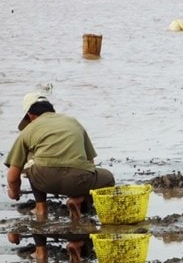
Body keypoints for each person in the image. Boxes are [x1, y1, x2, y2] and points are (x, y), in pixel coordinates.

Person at [4, 93, 115, 221]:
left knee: (32, 159)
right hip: (78, 180)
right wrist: (83, 190)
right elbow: (90, 162)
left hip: (44, 179)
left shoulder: (28, 130)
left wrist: (14, 193)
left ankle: (41, 207)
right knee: (108, 179)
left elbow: (13, 177)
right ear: (51, 110)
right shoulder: (73, 122)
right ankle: (78, 201)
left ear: (30, 115)